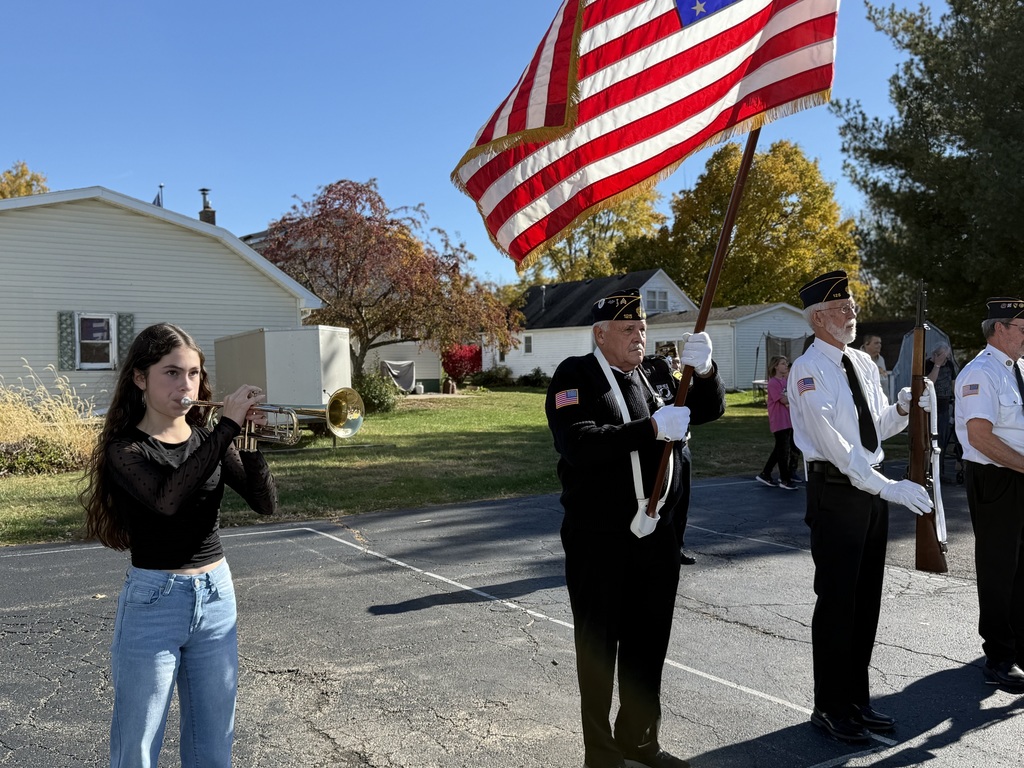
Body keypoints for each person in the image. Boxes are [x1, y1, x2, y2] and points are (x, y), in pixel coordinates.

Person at [80, 323, 278, 768]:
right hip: (154, 601)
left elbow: (266, 504)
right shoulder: (125, 448)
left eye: (192, 373)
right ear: (139, 378)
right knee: (138, 746)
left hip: (216, 596)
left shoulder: (212, 438)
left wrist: (247, 441)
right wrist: (225, 426)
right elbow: (167, 499)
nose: (185, 385)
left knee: (214, 744)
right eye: (171, 372)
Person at [545, 289, 725, 768]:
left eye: (642, 328)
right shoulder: (575, 375)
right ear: (600, 334)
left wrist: (705, 373)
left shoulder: (659, 375)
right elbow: (578, 443)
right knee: (599, 647)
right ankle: (601, 755)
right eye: (627, 329)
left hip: (658, 535)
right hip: (599, 538)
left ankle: (639, 740)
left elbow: (709, 410)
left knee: (648, 643)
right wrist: (649, 430)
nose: (638, 337)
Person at [788, 271, 933, 744]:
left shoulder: (863, 363)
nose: (852, 313)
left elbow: (872, 431)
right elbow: (835, 446)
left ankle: (857, 700)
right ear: (818, 319)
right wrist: (887, 487)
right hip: (837, 493)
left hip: (869, 491)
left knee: (865, 601)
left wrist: (904, 409)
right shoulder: (808, 370)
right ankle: (830, 706)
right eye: (842, 308)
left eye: (851, 305)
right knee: (837, 603)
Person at [953, 298, 1024, 689]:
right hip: (997, 478)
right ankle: (998, 656)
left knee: (1023, 566)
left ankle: (1020, 645)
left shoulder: (1017, 370)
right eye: (1023, 328)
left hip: (1019, 474)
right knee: (999, 568)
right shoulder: (980, 373)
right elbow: (981, 436)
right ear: (1000, 328)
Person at [755, 355, 800, 490]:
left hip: (788, 420)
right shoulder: (773, 383)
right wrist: (794, 397)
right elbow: (783, 400)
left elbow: (790, 396)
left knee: (780, 449)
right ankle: (785, 480)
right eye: (782, 363)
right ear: (776, 366)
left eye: (786, 363)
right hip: (779, 420)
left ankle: (766, 473)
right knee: (783, 451)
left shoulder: (786, 381)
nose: (785, 366)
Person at [926, 342, 956, 456]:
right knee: (931, 438)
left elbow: (953, 382)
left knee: (942, 440)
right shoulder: (927, 365)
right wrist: (937, 365)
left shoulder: (949, 365)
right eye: (943, 356)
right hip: (931, 406)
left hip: (944, 406)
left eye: (947, 357)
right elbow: (929, 383)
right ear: (935, 355)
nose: (946, 360)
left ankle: (940, 467)